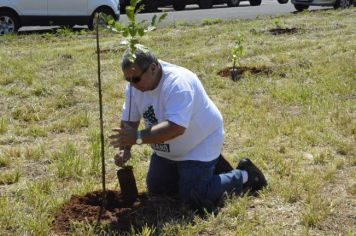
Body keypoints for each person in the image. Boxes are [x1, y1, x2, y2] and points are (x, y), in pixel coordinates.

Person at [109, 49, 267, 211]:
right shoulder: (134, 87)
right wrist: (125, 149)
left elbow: (175, 128)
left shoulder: (178, 83)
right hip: (167, 151)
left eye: (135, 79)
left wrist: (137, 137)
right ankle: (212, 168)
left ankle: (245, 175)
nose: (132, 84)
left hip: (199, 144)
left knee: (194, 197)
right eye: (127, 79)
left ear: (153, 68)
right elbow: (130, 119)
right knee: (158, 190)